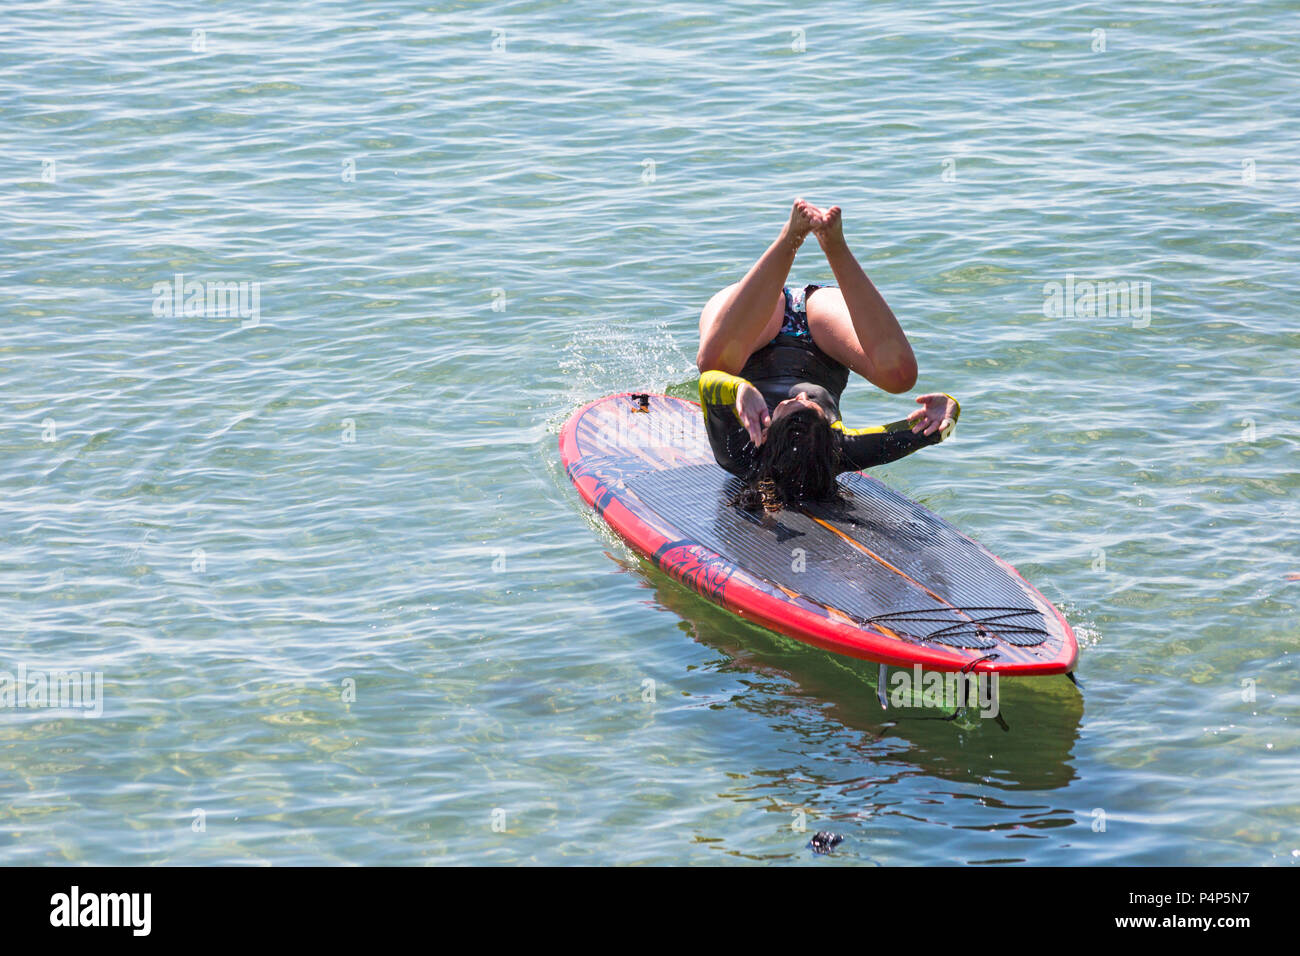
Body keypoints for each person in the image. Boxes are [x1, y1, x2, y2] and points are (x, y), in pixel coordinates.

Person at [696, 199, 960, 510]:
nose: (802, 396)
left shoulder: (737, 450)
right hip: (822, 327)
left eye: (791, 405)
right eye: (812, 405)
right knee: (901, 376)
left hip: (753, 328)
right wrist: (949, 410)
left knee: (713, 364)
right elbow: (925, 433)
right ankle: (834, 245)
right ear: (829, 433)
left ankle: (790, 237)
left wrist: (738, 388)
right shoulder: (839, 448)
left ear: (767, 432)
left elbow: (708, 383)